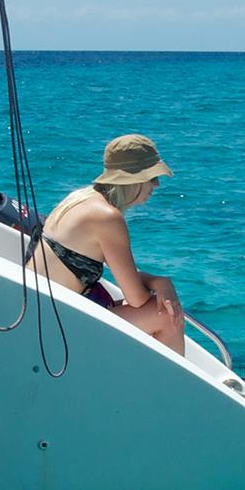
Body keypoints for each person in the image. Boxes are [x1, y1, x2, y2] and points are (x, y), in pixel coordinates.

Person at [30, 134, 186, 354]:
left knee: (156, 306)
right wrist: (161, 283)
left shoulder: (80, 198)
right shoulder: (107, 217)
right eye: (152, 177)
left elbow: (125, 278)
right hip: (56, 325)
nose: (157, 184)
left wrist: (159, 282)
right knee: (167, 315)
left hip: (41, 312)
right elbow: (137, 299)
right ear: (133, 179)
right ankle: (172, 387)